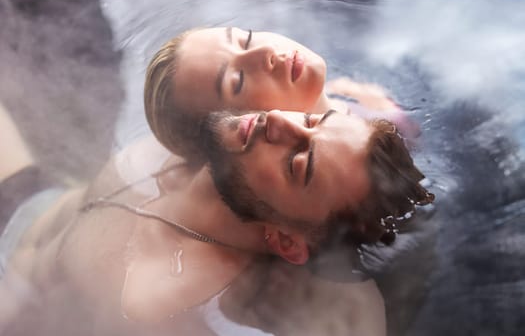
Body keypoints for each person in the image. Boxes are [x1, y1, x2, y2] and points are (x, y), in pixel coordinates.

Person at [0, 101, 433, 335]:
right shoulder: (227, 133)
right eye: (312, 119)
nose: (278, 118)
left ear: (285, 240)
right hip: (30, 202)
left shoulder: (171, 311)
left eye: (298, 161)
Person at [143, 26, 420, 164]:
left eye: (246, 39)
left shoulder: (350, 97)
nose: (265, 53)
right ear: (242, 133)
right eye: (237, 80)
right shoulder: (357, 168)